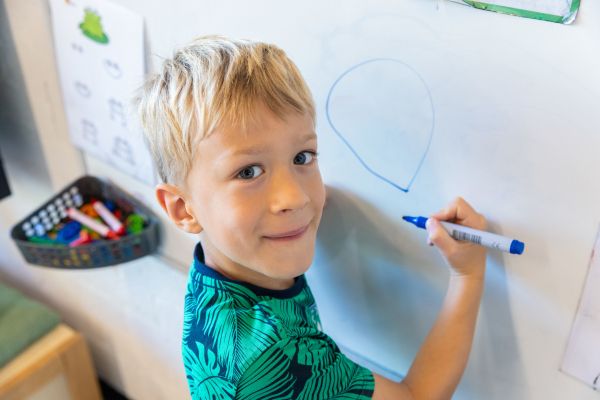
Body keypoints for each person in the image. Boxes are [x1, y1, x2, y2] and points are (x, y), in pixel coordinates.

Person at [135, 35, 487, 399]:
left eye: (302, 158)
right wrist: (468, 272)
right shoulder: (276, 356)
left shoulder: (217, 272)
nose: (295, 197)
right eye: (248, 172)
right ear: (183, 209)